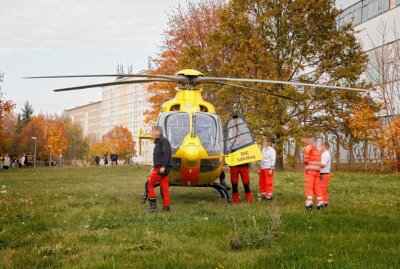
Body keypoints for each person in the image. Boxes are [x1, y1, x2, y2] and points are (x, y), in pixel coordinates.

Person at [146, 125, 172, 212]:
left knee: (149, 184)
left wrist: (163, 166)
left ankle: (153, 206)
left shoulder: (163, 140)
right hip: (160, 167)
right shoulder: (158, 142)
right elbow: (159, 156)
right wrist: (154, 166)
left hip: (162, 168)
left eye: (153, 131)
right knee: (164, 188)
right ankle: (166, 207)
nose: (151, 133)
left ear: (158, 132)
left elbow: (166, 153)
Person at [302, 134, 324, 210]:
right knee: (316, 187)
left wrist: (306, 148)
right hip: (317, 170)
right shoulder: (318, 148)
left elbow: (306, 155)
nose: (303, 141)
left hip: (310, 170)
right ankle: (320, 202)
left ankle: (309, 202)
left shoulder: (309, 146)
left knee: (309, 186)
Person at [320, 141, 332, 207]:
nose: (320, 147)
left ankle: (322, 202)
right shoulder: (324, 154)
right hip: (323, 174)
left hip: (324, 174)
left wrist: (314, 164)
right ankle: (325, 202)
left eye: (321, 145)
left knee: (322, 188)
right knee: (323, 188)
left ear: (325, 146)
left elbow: (322, 165)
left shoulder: (326, 154)